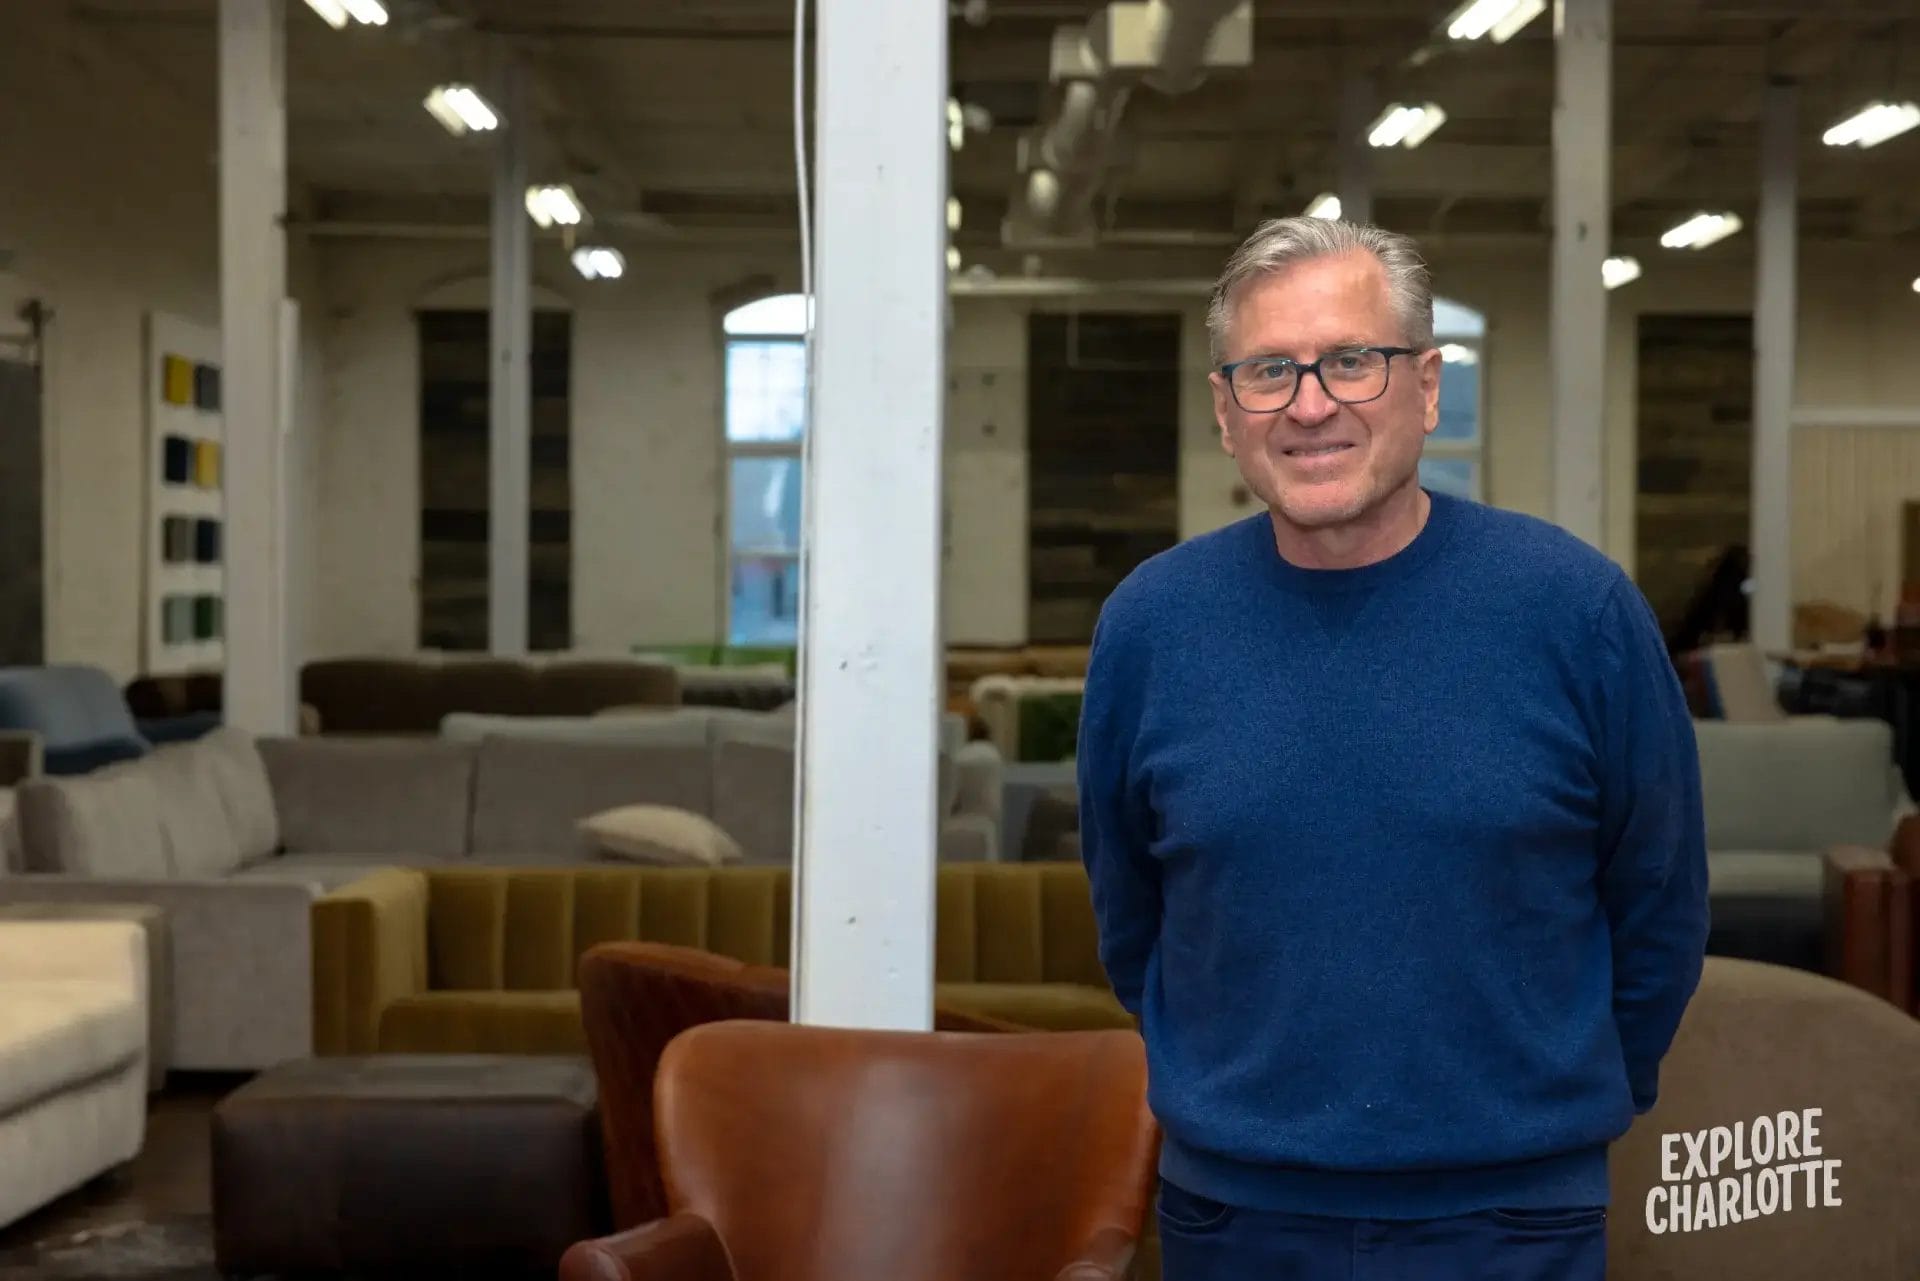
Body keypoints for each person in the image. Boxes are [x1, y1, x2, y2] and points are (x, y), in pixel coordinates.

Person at [1076, 217, 1709, 1281]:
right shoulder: (1151, 626)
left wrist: (1544, 1110)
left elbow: (1660, 904)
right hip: (1236, 1217)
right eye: (1270, 371)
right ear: (1227, 413)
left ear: (1425, 387)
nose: (1310, 403)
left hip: (1515, 1219)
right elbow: (1131, 911)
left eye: (1351, 363)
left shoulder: (1576, 612)